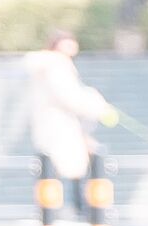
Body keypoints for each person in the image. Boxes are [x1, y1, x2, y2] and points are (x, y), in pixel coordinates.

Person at [22, 33, 122, 185]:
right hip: (59, 130)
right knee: (61, 172)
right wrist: (99, 107)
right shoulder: (56, 66)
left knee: (53, 174)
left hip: (52, 129)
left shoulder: (48, 66)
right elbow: (71, 98)